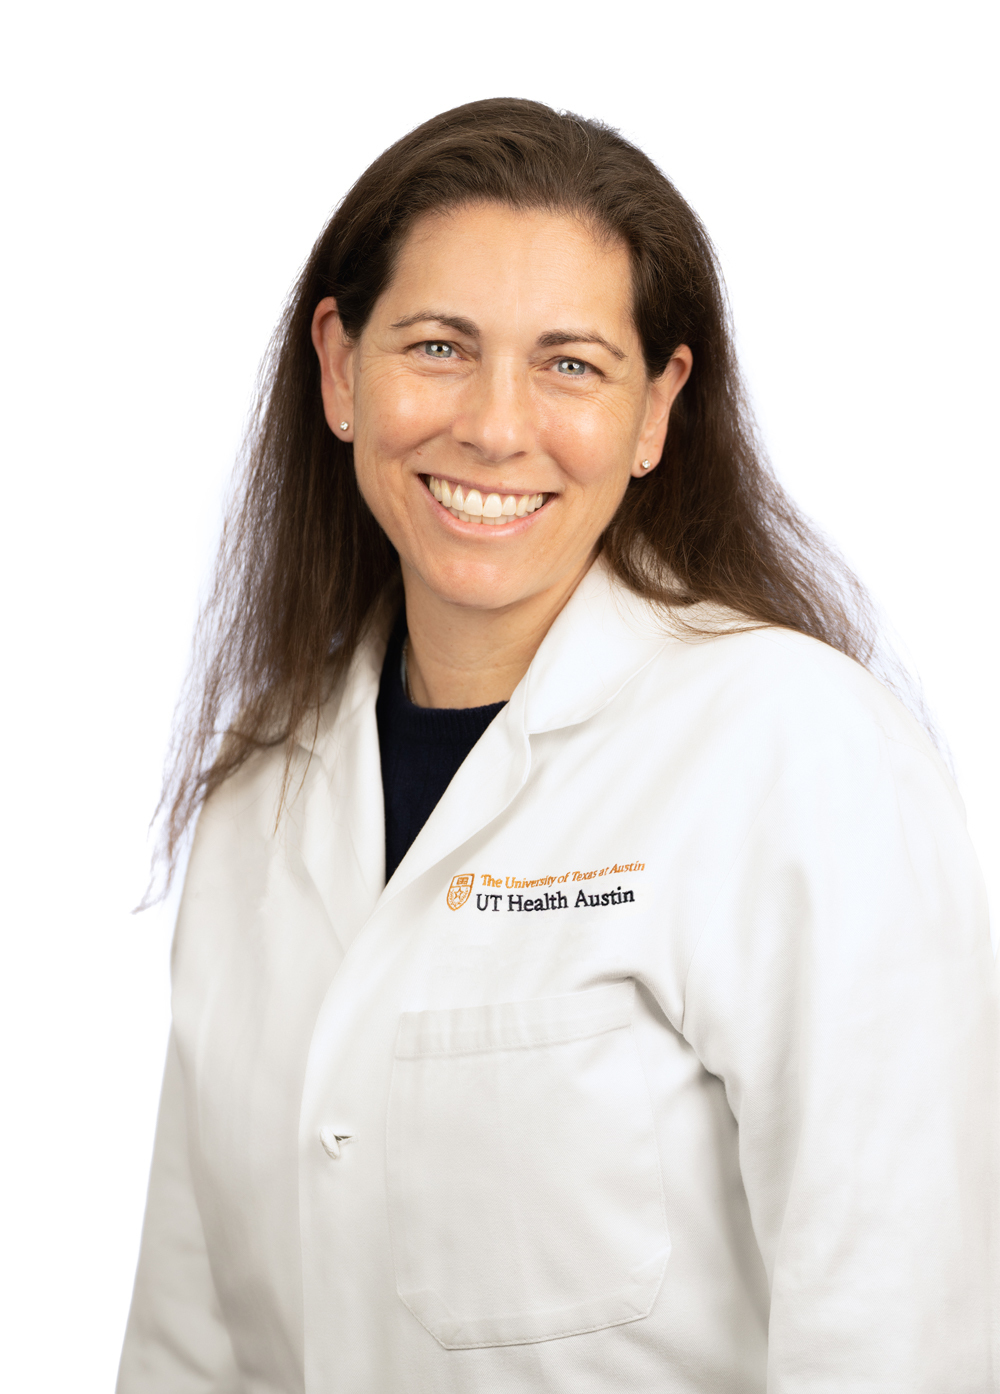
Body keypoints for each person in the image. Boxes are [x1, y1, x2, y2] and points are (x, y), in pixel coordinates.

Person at [118, 98, 998, 1393]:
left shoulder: (792, 749)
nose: (493, 423)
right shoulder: (264, 778)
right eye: (437, 346)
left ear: (657, 410)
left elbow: (896, 1323)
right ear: (338, 368)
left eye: (572, 364)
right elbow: (192, 1341)